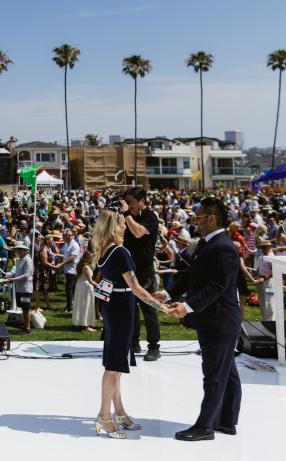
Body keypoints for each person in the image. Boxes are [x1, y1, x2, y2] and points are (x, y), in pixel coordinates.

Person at [156, 196, 243, 442]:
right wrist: (168, 292)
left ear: (212, 219)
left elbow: (217, 286)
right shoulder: (208, 243)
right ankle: (227, 421)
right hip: (214, 320)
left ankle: (206, 426)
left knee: (215, 374)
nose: (195, 223)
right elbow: (192, 274)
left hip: (220, 320)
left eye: (199, 218)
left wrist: (187, 306)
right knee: (227, 372)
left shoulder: (224, 246)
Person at [92, 209, 168, 439]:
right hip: (122, 307)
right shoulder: (120, 251)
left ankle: (119, 412)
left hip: (115, 306)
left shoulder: (105, 251)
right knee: (114, 366)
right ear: (116, 227)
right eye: (124, 223)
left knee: (117, 364)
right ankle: (105, 415)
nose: (127, 226)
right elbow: (135, 287)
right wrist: (160, 306)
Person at [122, 187, 162, 361]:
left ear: (142, 201)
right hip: (130, 269)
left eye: (131, 202)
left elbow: (138, 233)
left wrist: (126, 215)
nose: (128, 205)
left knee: (148, 308)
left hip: (145, 270)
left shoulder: (150, 217)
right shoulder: (128, 217)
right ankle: (134, 341)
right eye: (127, 202)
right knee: (131, 308)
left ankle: (154, 346)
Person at [5, 241, 34, 335]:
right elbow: (17, 272)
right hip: (20, 288)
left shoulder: (27, 260)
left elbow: (27, 275)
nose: (18, 251)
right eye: (17, 249)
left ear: (25, 250)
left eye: (20, 249)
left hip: (25, 289)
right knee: (24, 308)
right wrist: (8, 277)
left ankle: (28, 328)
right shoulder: (21, 259)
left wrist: (13, 279)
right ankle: (26, 326)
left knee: (26, 309)